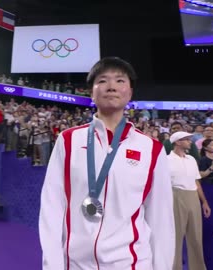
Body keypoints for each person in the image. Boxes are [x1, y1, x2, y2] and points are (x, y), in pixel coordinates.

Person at [39, 57, 175, 270]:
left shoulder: (151, 149)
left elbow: (161, 220)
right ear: (91, 93)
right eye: (103, 80)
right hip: (75, 264)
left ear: (129, 93)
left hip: (132, 264)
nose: (111, 86)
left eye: (120, 81)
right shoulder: (68, 140)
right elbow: (52, 207)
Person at [168, 131, 211, 270]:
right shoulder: (166, 160)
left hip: (193, 196)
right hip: (176, 196)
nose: (190, 142)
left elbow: (196, 181)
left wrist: (204, 201)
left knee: (196, 237)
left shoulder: (192, 159)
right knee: (176, 237)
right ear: (178, 142)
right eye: (187, 139)